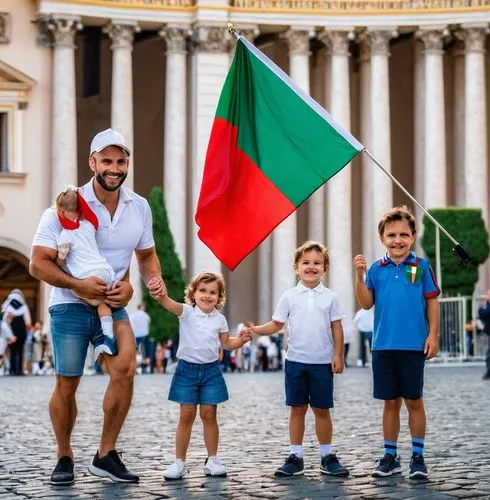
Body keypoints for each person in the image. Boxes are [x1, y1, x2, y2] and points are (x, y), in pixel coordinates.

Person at [30, 128, 165, 486]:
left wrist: (139, 283)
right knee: (67, 384)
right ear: (92, 163)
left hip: (113, 304)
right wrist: (78, 285)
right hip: (69, 306)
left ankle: (105, 453)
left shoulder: (139, 207)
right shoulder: (65, 206)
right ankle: (64, 454)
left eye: (121, 161)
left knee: (125, 367)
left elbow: (147, 254)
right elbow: (38, 263)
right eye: (107, 160)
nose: (114, 167)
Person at [244, 241, 348, 478]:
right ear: (296, 267)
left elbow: (337, 327)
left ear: (325, 268)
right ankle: (296, 456)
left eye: (317, 263)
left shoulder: (330, 297)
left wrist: (338, 355)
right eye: (306, 263)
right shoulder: (289, 296)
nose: (311, 267)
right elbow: (277, 324)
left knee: (322, 409)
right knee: (297, 409)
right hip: (296, 361)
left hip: (322, 362)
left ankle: (326, 455)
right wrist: (256, 329)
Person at [353, 205, 440, 480]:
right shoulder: (377, 270)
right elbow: (366, 303)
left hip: (413, 345)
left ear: (413, 236)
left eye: (404, 234)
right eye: (391, 235)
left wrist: (433, 335)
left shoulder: (422, 266)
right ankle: (390, 456)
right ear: (382, 239)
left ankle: (418, 456)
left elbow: (432, 302)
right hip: (383, 346)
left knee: (414, 401)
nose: (398, 240)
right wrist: (359, 276)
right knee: (390, 402)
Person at [147, 272, 251, 480]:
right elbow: (168, 303)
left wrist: (241, 341)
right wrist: (160, 294)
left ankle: (212, 459)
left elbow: (226, 344)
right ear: (193, 293)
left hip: (211, 371)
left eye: (213, 292)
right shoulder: (186, 312)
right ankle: (179, 461)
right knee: (186, 416)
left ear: (219, 296)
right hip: (187, 370)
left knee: (209, 415)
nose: (207, 295)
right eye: (202, 291)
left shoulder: (219, 319)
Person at [55, 186, 118, 363]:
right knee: (103, 303)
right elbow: (91, 216)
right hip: (105, 271)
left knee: (76, 291)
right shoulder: (88, 226)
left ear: (60, 211)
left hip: (88, 274)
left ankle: (99, 338)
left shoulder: (65, 235)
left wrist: (59, 259)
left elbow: (60, 262)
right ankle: (108, 338)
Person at [0, 289, 32, 375]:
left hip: (10, 333)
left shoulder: (6, 305)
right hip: (21, 333)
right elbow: (28, 322)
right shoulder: (24, 306)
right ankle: (19, 370)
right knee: (20, 351)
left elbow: (3, 320)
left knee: (12, 351)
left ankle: (12, 370)